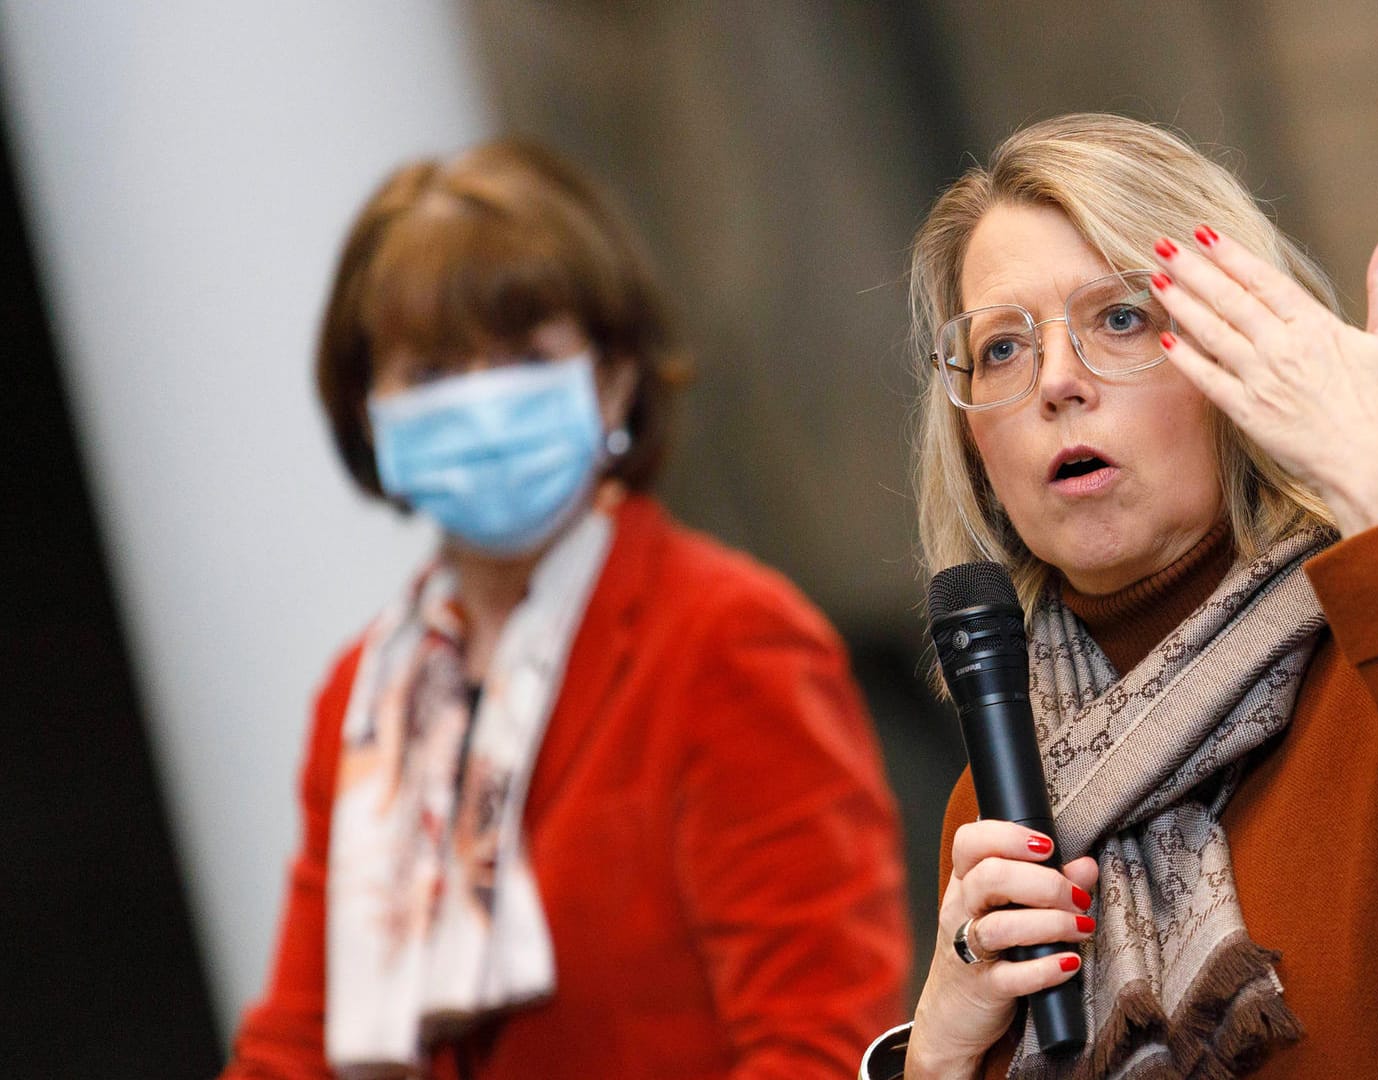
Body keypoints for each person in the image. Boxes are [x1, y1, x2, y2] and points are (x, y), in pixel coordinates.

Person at [874, 114, 1378, 1078]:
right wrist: (939, 1054)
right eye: (1001, 349)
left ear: (1238, 356)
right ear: (975, 452)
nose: (1058, 383)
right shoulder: (999, 802)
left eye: (1120, 318)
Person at [224, 139, 909, 1078]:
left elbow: (819, 1041)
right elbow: (295, 1045)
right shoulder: (363, 695)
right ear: (367, 413)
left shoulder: (728, 637)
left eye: (521, 358)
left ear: (615, 377)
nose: (480, 405)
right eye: (430, 374)